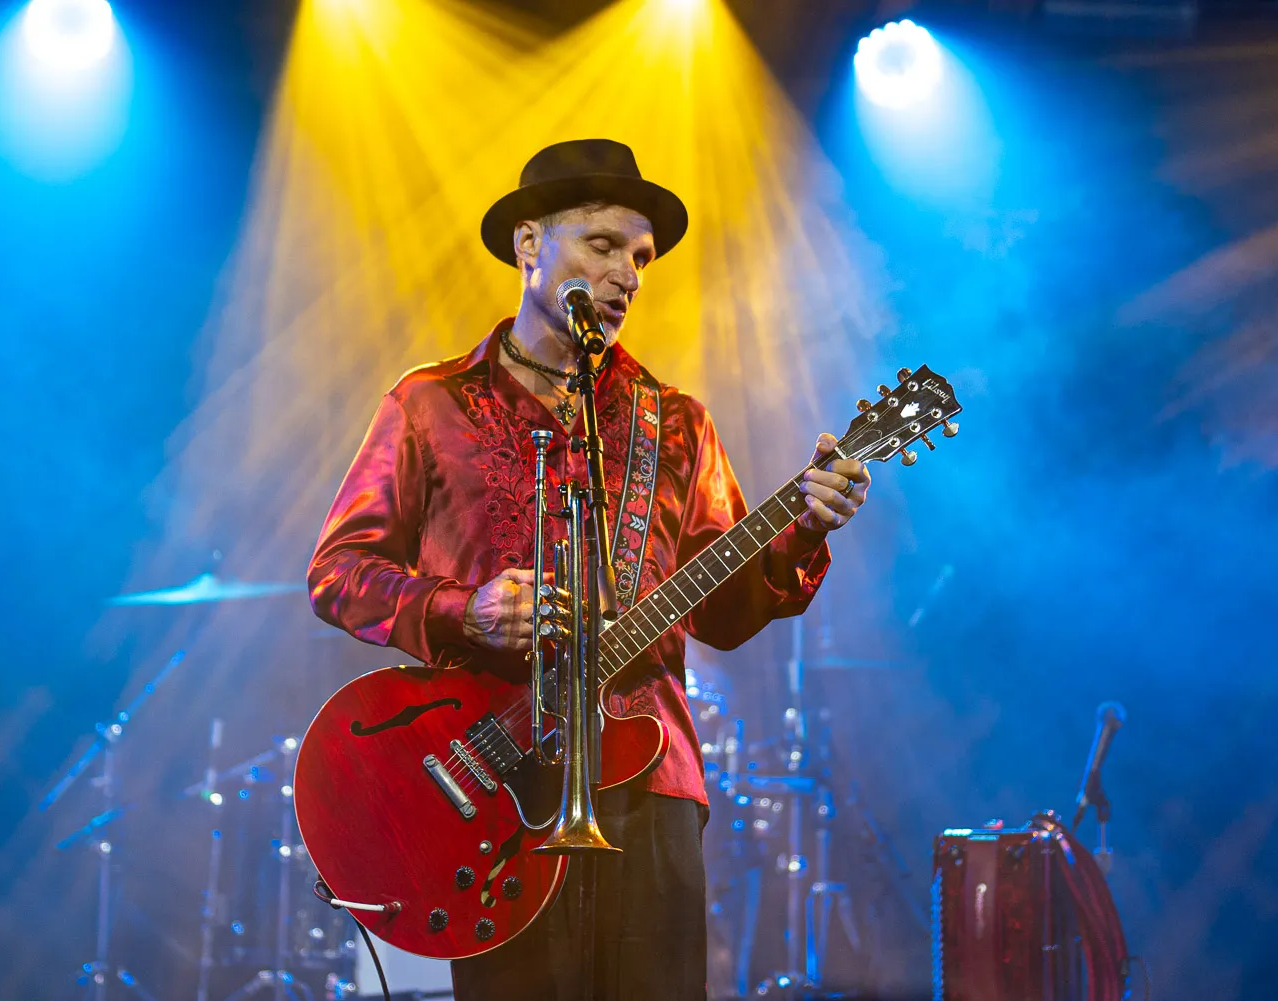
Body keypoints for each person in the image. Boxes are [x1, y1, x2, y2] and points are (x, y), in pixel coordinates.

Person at [308, 138, 870, 1001]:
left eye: (640, 258)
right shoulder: (431, 404)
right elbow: (340, 571)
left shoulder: (675, 422)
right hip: (494, 787)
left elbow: (723, 613)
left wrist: (800, 533)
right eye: (604, 245)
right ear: (529, 243)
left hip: (650, 778)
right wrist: (464, 609)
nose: (627, 276)